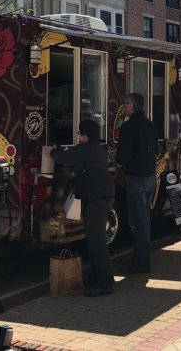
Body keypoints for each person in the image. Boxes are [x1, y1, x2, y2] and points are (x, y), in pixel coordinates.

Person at [46, 120, 115, 297]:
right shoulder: (97, 147)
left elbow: (66, 157)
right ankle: (95, 276)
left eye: (79, 134)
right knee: (93, 239)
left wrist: (51, 152)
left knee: (97, 241)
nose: (78, 137)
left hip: (97, 198)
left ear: (85, 134)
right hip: (102, 196)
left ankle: (106, 283)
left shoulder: (87, 149)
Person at [115, 93, 158, 274]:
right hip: (150, 176)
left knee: (138, 222)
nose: (124, 108)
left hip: (137, 178)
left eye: (125, 104)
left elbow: (122, 156)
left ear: (132, 106)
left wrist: (118, 162)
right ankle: (140, 257)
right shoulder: (150, 125)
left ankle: (141, 262)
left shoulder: (128, 127)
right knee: (144, 220)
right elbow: (154, 150)